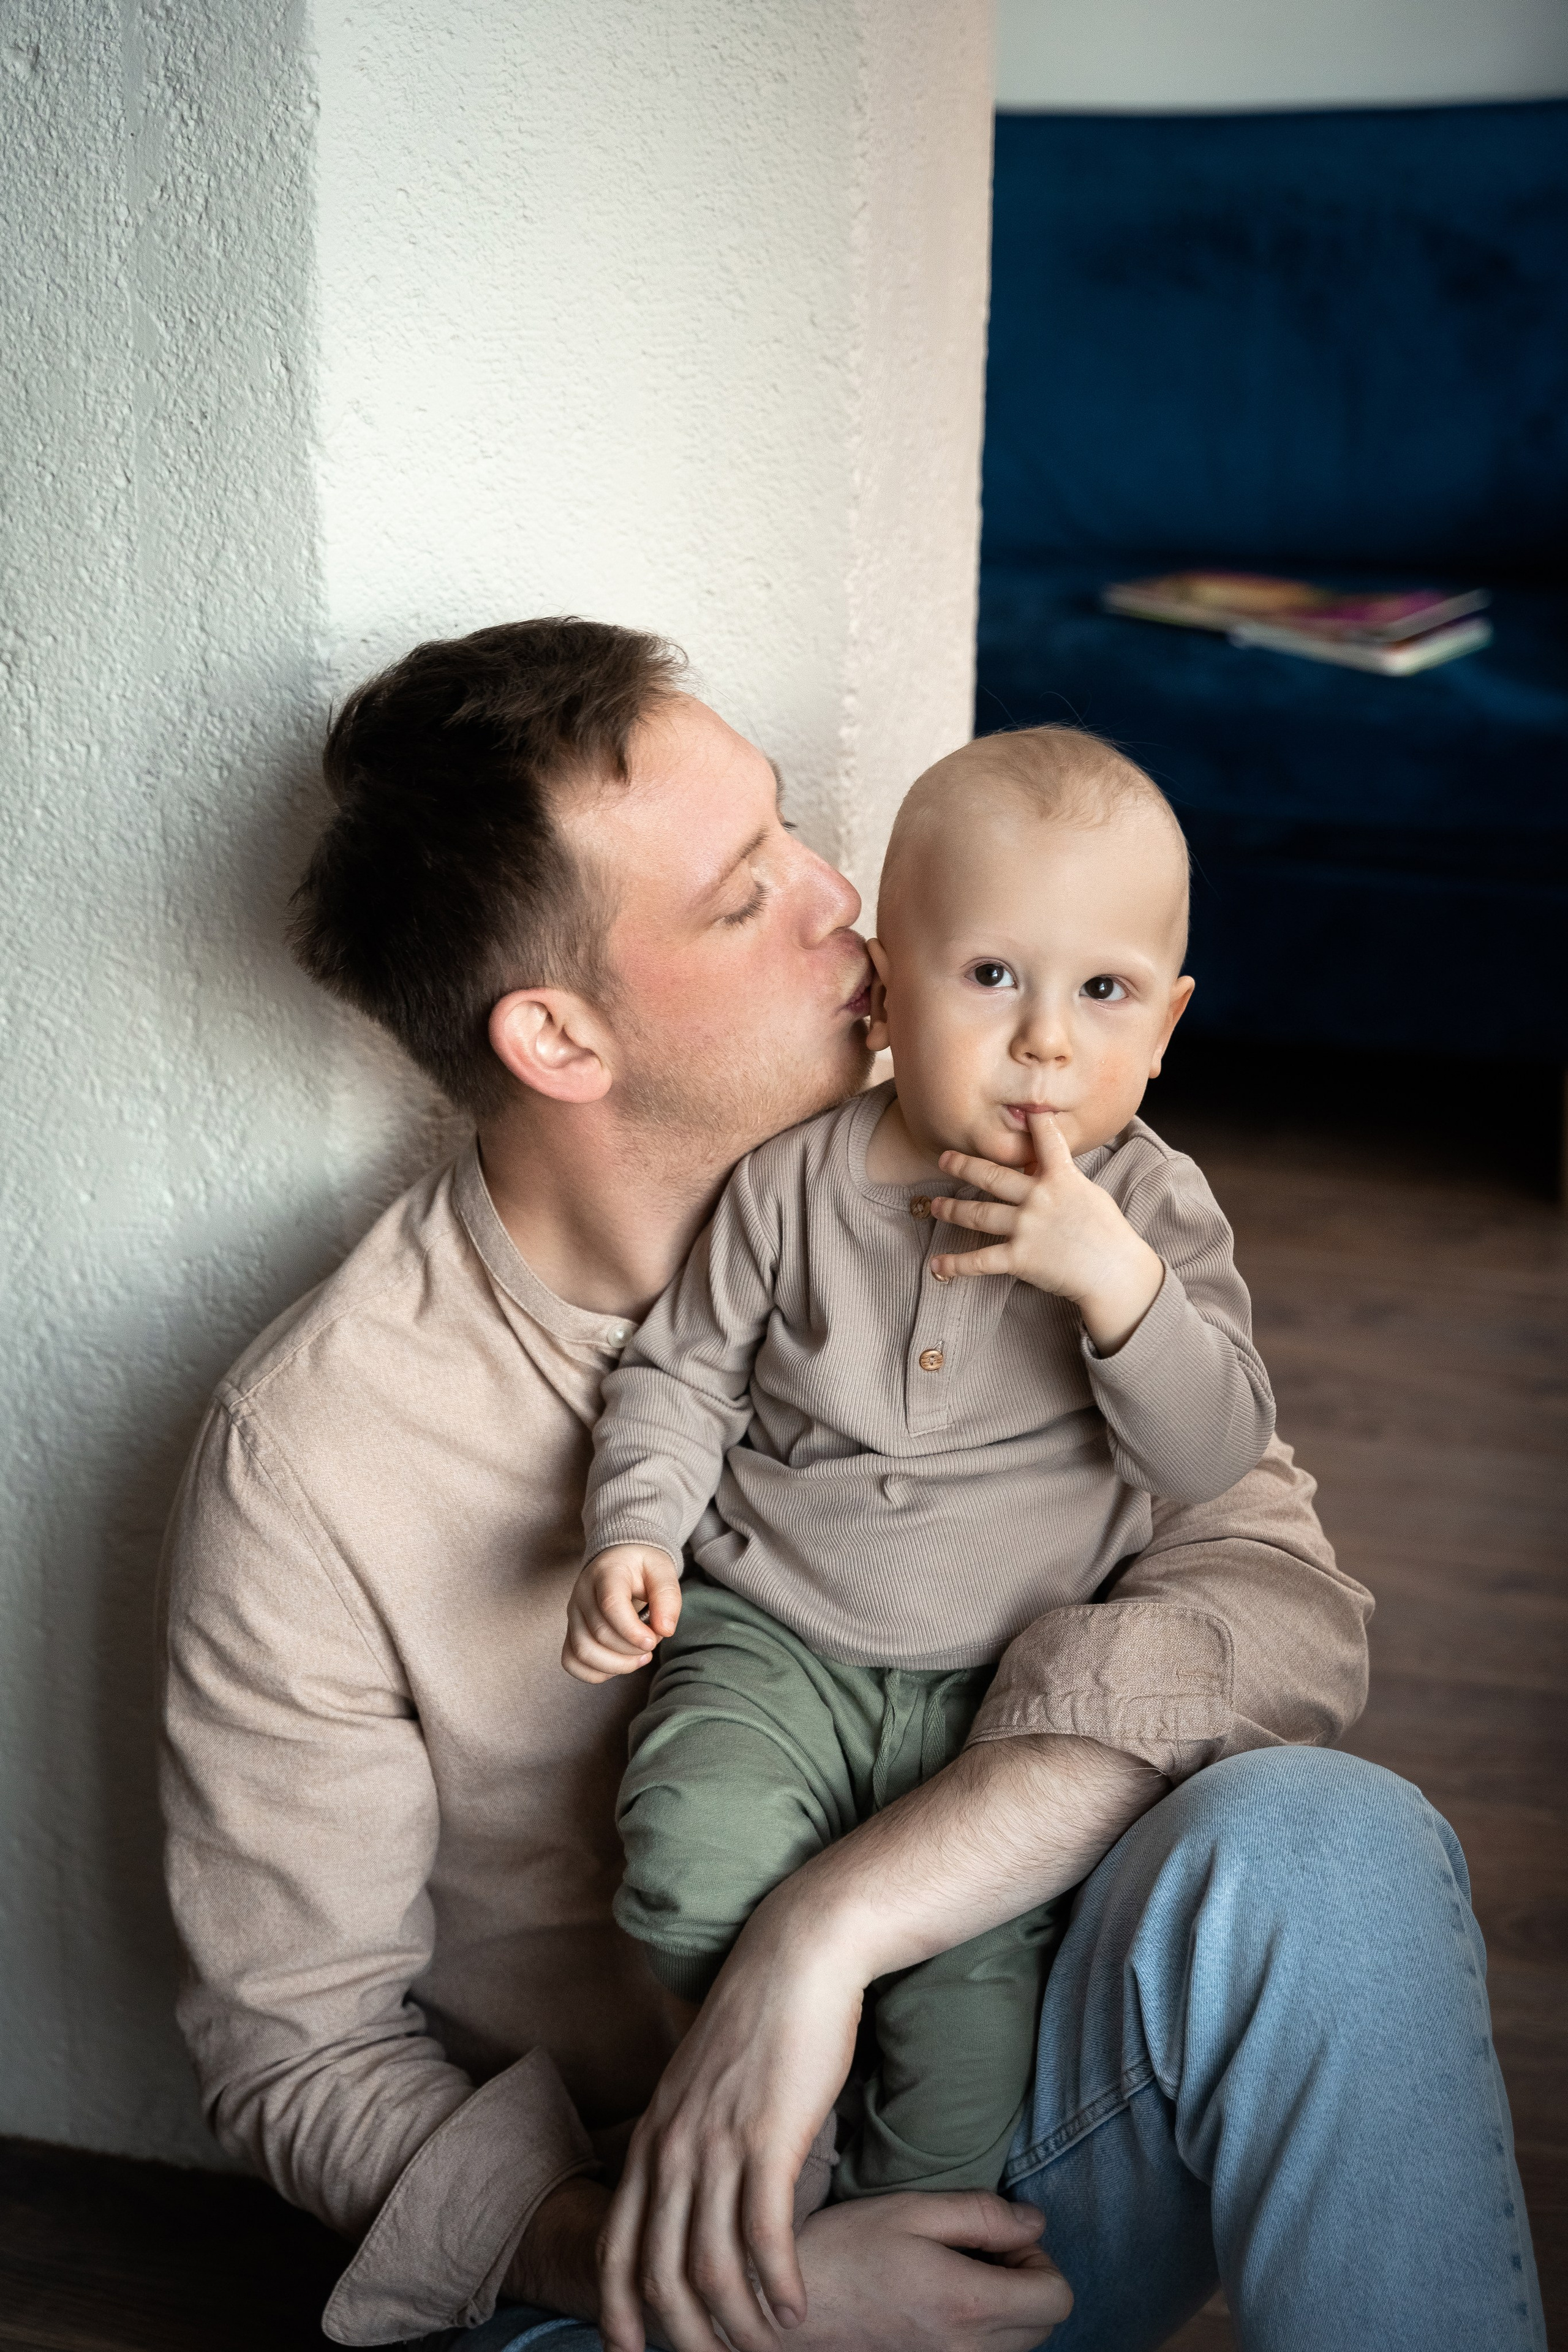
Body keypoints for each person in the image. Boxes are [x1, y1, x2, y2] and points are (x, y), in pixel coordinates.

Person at [156, 619, 1541, 2352]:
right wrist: (690, 2273)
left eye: (796, 827)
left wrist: (833, 1926)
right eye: (748, 894)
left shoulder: (1026, 1184)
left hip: (998, 2163)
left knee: (1332, 1845)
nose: (845, 905)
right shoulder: (315, 1453)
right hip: (655, 2254)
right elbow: (299, 2051)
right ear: (560, 1039)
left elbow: (1280, 1602)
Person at [565, 726, 1275, 2213]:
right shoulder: (791, 1182)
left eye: (1102, 993)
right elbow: (679, 1373)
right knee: (686, 1864)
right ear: (886, 986)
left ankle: (906, 2238)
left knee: (965, 2061)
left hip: (999, 1700)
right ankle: (773, 2165)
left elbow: (1211, 1455)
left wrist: (1119, 1293)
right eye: (990, 976)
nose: (1044, 1039)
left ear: (1165, 1026)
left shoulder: (1150, 1206)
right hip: (769, 1645)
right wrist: (633, 1531)